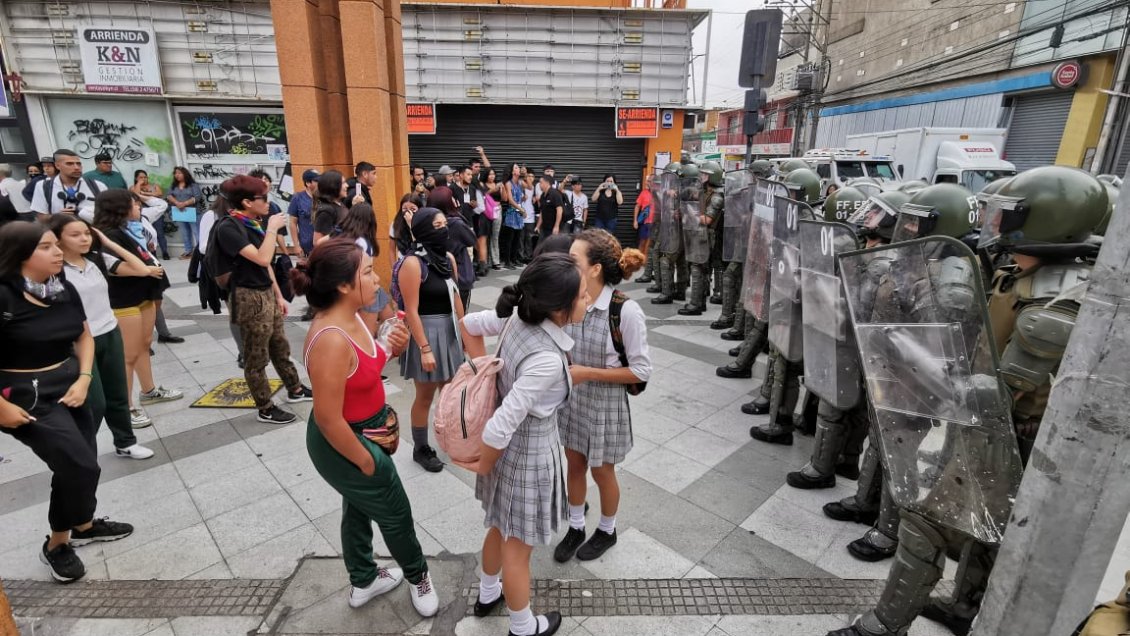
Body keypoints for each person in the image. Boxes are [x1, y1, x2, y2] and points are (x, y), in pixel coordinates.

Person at [293, 238, 439, 617]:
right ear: (343, 285)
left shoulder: (353, 316)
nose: (377, 279)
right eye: (369, 272)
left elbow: (365, 369)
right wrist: (366, 460)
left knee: (357, 506)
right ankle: (418, 575)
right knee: (395, 512)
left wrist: (391, 346)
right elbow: (327, 417)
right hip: (344, 438)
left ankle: (363, 579)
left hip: (364, 430)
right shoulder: (329, 339)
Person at [462, 252, 590, 636]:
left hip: (505, 456)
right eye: (582, 296)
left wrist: (485, 371)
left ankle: (488, 594)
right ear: (559, 307)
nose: (587, 301)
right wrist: (480, 466)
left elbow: (468, 323)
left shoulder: (520, 317)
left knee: (499, 528)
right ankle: (523, 627)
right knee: (518, 550)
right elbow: (499, 428)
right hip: (528, 455)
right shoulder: (547, 358)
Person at [0, 221, 134, 583]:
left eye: (54, 246)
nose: (58, 252)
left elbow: (83, 335)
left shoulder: (60, 287)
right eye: (46, 247)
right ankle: (57, 544)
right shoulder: (4, 296)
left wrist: (85, 377)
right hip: (24, 396)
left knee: (80, 460)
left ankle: (84, 525)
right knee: (79, 466)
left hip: (72, 384)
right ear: (20, 255)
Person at [554, 230, 649, 564]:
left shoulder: (625, 311)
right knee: (575, 464)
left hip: (606, 403)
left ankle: (607, 529)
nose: (567, 263)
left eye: (574, 260)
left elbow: (640, 371)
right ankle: (576, 525)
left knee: (602, 471)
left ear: (594, 269)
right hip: (573, 399)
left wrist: (587, 373)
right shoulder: (569, 299)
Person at [50, 214, 156, 460]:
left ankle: (125, 442)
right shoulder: (54, 270)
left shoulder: (97, 259)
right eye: (75, 235)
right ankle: (82, 450)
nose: (84, 239)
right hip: (78, 341)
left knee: (117, 393)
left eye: (87, 233)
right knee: (94, 401)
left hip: (109, 331)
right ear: (58, 239)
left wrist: (107, 242)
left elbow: (141, 269)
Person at [213, 175, 313, 424]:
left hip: (265, 292)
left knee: (280, 346)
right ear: (247, 202)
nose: (269, 203)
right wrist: (271, 229)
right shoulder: (228, 227)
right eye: (263, 198)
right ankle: (265, 407)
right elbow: (261, 258)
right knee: (256, 355)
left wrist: (279, 295)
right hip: (247, 296)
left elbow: (265, 267)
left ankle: (295, 389)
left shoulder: (252, 223)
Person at [92, 190, 182, 427]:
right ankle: (126, 407)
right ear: (119, 208)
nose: (139, 207)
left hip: (143, 294)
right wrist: (144, 270)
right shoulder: (107, 235)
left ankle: (149, 391)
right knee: (127, 355)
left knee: (143, 345)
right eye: (134, 204)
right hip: (124, 299)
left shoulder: (128, 229)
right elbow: (113, 266)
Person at [395, 207, 466, 472]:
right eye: (437, 226)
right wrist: (424, 348)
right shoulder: (413, 263)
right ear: (424, 230)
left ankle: (450, 437)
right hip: (425, 331)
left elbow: (456, 296)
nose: (444, 229)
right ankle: (420, 447)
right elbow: (410, 310)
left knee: (450, 392)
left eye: (444, 224)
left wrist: (465, 332)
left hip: (449, 331)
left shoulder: (447, 257)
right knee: (424, 395)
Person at [337, 203, 396, 335]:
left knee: (391, 323)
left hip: (367, 286)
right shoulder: (361, 242)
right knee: (369, 333)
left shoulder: (346, 237)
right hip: (366, 288)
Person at [425, 187, 476, 311]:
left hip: (437, 275)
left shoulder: (426, 221)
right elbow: (471, 239)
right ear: (448, 202)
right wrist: (457, 212)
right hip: (459, 274)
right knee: (461, 315)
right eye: (452, 197)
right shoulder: (456, 223)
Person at [30, 149, 106, 220]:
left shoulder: (98, 186)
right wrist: (57, 217)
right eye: (70, 164)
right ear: (57, 166)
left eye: (78, 164)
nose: (76, 167)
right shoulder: (43, 186)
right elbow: (40, 216)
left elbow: (110, 215)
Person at [130, 170, 169, 260]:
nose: (144, 179)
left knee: (160, 233)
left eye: (145, 177)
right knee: (147, 234)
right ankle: (152, 253)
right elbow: (136, 194)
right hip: (141, 213)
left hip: (154, 212)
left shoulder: (154, 185)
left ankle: (165, 252)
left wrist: (144, 193)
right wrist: (139, 184)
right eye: (141, 177)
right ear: (136, 178)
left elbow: (159, 194)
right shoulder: (133, 187)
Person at [167, 167, 203, 259]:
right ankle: (188, 251)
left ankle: (200, 252)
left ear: (185, 174)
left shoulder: (192, 185)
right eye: (175, 173)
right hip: (179, 212)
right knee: (184, 232)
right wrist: (177, 203)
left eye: (179, 173)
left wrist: (184, 203)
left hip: (193, 212)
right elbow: (169, 195)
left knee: (197, 232)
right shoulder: (173, 185)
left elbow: (198, 197)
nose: (177, 175)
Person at [499, 164, 525, 269]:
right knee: (509, 239)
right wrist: (521, 209)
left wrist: (523, 199)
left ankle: (514, 259)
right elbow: (510, 200)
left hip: (518, 213)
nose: (518, 169)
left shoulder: (519, 183)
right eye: (516, 168)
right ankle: (507, 261)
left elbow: (520, 196)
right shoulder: (508, 183)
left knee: (516, 238)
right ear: (512, 172)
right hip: (511, 213)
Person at [289, 169, 320, 256]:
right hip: (307, 248)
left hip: (324, 246)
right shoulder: (298, 198)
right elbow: (292, 223)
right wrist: (296, 245)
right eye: (317, 181)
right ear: (308, 183)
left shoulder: (324, 197)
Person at [314, 170, 348, 245]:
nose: (347, 185)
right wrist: (337, 232)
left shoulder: (339, 204)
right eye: (343, 183)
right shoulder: (327, 210)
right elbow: (316, 242)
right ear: (333, 186)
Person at [483, 168, 504, 270]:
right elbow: (483, 195)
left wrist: (502, 189)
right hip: (486, 211)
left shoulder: (498, 184)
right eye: (490, 174)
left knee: (495, 236)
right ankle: (485, 261)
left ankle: (496, 261)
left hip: (497, 210)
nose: (492, 176)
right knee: (485, 236)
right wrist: (493, 190)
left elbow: (505, 199)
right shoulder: (482, 184)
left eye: (493, 174)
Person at [535, 174, 565, 241]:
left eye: (541, 182)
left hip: (554, 228)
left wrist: (556, 226)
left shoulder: (555, 194)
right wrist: (538, 226)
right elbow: (542, 212)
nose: (539, 184)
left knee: (553, 248)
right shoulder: (543, 196)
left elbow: (559, 210)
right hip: (545, 228)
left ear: (547, 183)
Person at [633, 174, 654, 263]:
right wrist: (635, 221)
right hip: (645, 222)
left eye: (650, 181)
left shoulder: (659, 193)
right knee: (642, 241)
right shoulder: (644, 193)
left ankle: (647, 262)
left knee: (650, 243)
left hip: (655, 223)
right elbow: (637, 206)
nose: (648, 183)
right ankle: (639, 260)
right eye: (648, 181)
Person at [520, 172, 538, 261]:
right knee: (520, 239)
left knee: (529, 239)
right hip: (521, 216)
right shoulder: (520, 186)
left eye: (532, 176)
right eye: (528, 176)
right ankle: (521, 257)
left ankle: (528, 256)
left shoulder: (534, 188)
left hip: (531, 216)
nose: (530, 178)